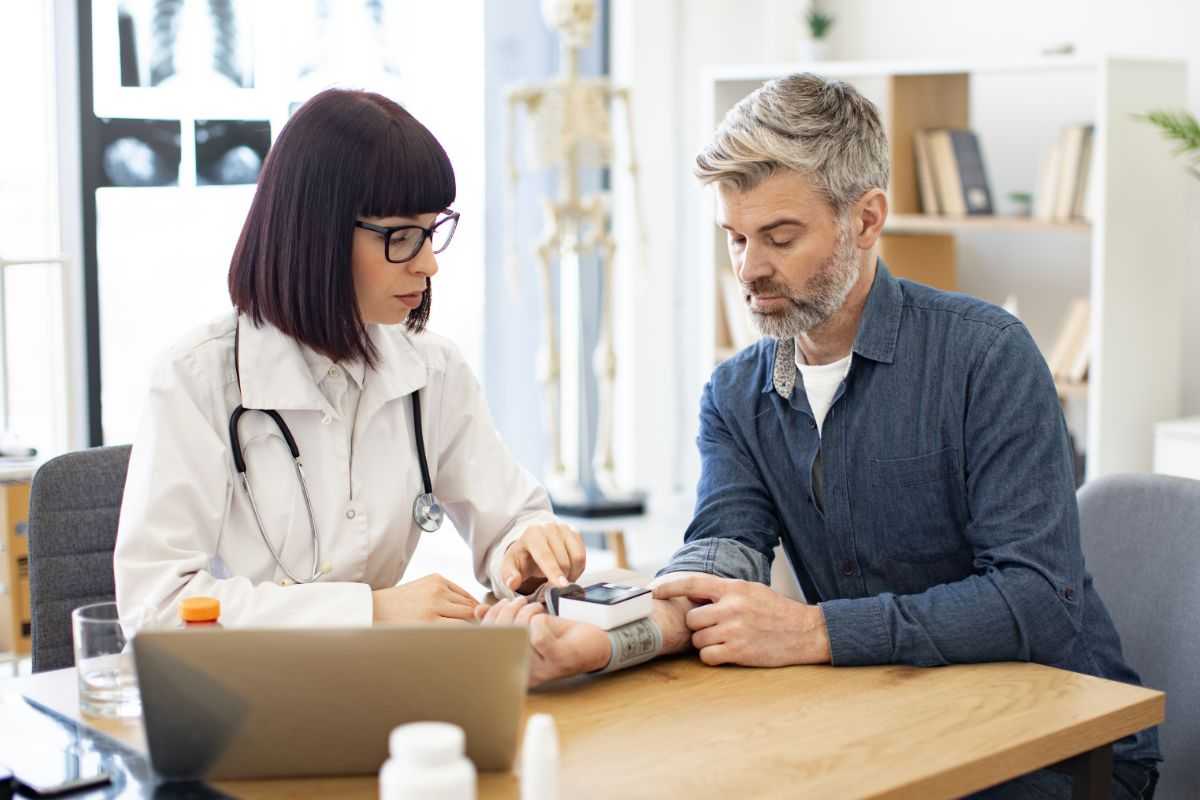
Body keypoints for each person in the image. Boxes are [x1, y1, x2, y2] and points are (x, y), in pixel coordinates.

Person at [482, 73, 1160, 799]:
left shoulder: (987, 357)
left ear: (866, 220)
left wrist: (816, 632)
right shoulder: (736, 394)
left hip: (1062, 746)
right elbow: (722, 557)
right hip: (895, 720)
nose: (749, 270)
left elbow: (1035, 598)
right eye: (735, 238)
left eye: (780, 237)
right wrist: (606, 640)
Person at [114, 89, 586, 628]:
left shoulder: (433, 370)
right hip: (243, 680)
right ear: (319, 232)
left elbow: (507, 517)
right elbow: (157, 606)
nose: (428, 264)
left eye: (431, 232)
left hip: (383, 673)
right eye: (402, 236)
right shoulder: (196, 380)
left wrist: (524, 550)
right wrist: (371, 612)